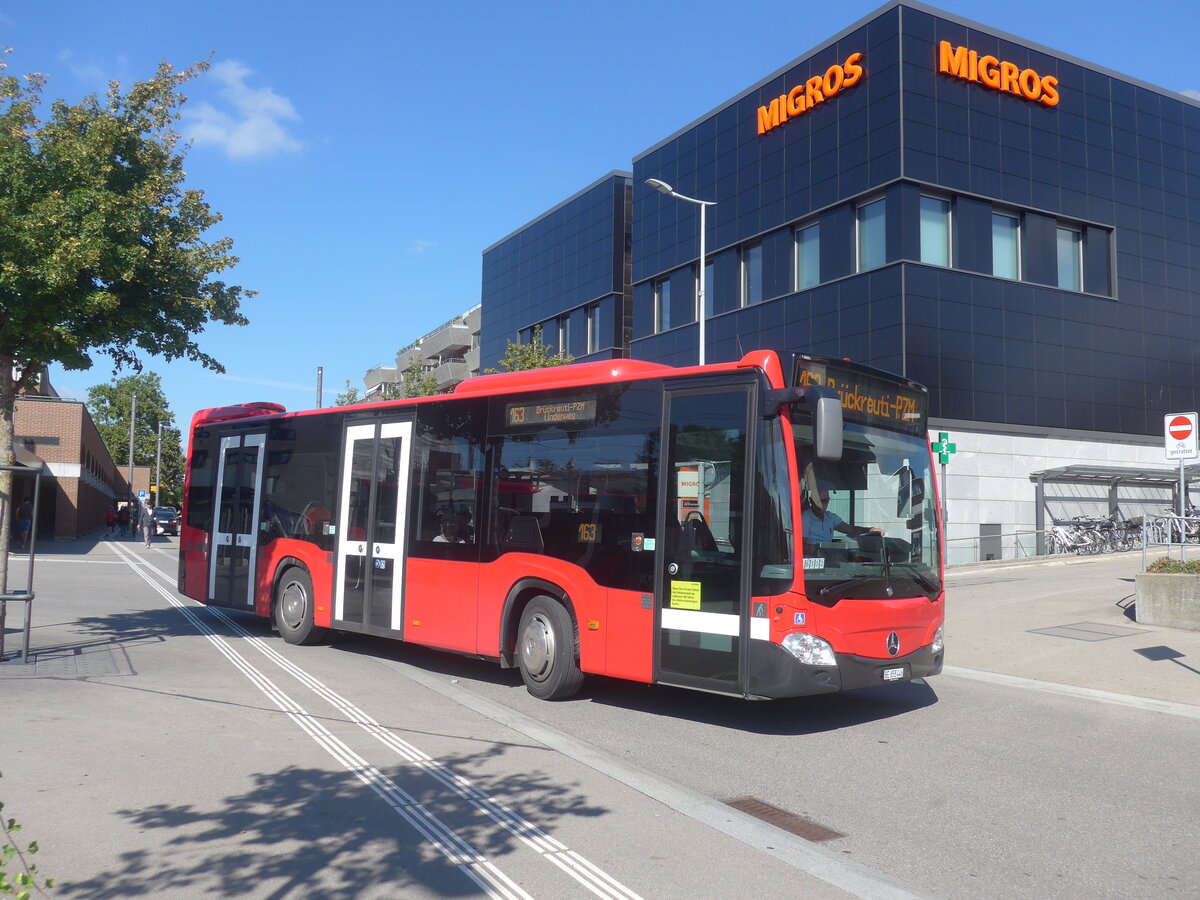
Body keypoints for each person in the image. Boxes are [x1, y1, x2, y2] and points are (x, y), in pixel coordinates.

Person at [801, 489, 882, 546]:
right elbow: (801, 546)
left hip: (827, 558)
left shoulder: (831, 518)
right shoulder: (806, 517)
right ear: (811, 501)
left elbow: (850, 529)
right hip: (809, 562)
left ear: (829, 500)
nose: (820, 505)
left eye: (824, 501)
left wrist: (870, 530)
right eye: (817, 501)